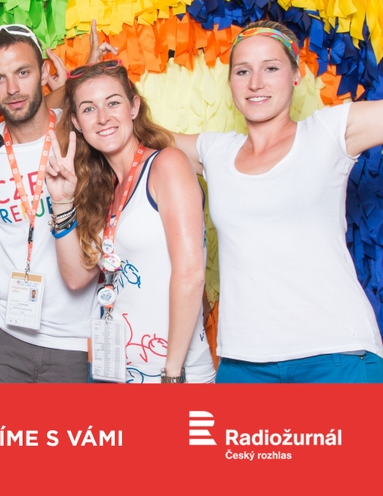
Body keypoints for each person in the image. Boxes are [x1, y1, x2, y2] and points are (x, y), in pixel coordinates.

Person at [158, 20, 383, 382]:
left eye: (271, 68)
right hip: (243, 363)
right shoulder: (216, 151)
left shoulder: (328, 131)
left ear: (296, 76)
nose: (255, 83)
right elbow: (131, 131)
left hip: (336, 355)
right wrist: (81, 87)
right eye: (242, 71)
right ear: (231, 82)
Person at [45, 60, 214, 383]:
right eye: (89, 109)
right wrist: (62, 201)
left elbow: (190, 273)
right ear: (77, 123)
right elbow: (77, 278)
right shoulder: (102, 189)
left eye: (113, 103)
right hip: (112, 371)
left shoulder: (167, 164)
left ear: (134, 107)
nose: (103, 117)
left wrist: (172, 374)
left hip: (168, 374)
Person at [0, 24, 99, 383]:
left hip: (76, 342)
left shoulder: (83, 135)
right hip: (3, 340)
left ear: (43, 71)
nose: (12, 89)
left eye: (22, 73)